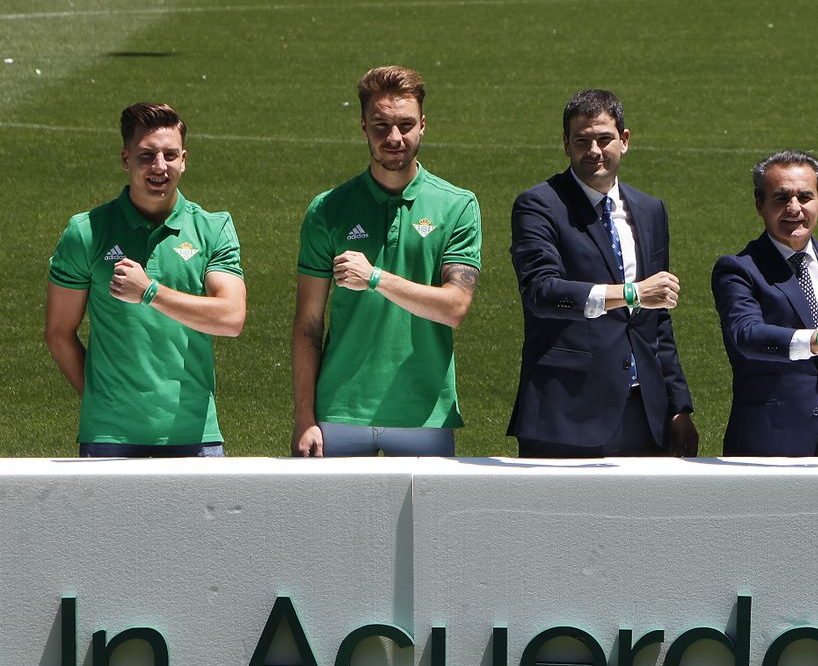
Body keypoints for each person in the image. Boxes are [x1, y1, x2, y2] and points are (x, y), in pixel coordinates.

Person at [292, 66, 482, 457]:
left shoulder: (457, 206)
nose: (394, 137)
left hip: (424, 414)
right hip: (339, 413)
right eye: (381, 125)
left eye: (405, 125)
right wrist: (304, 416)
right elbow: (308, 323)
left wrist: (375, 278)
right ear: (363, 126)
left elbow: (455, 307)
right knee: (332, 521)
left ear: (423, 125)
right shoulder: (328, 209)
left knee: (430, 522)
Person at [44, 103, 247, 457]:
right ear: (126, 159)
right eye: (146, 155)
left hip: (194, 434)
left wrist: (149, 292)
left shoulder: (212, 228)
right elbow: (59, 333)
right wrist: (102, 399)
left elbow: (231, 318)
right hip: (110, 438)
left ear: (184, 159)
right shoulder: (86, 232)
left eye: (170, 155)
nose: (159, 167)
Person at [508, 89, 696, 457]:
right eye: (582, 140)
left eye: (604, 139)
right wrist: (632, 294)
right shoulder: (539, 205)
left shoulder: (650, 210)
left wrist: (678, 407)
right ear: (566, 145)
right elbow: (541, 291)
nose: (593, 150)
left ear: (624, 141)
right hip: (568, 410)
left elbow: (659, 320)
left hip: (644, 411)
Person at [712, 151, 818, 456]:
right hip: (770, 440)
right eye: (781, 198)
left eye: (805, 197)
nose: (794, 208)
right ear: (759, 204)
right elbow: (746, 335)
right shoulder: (738, 269)